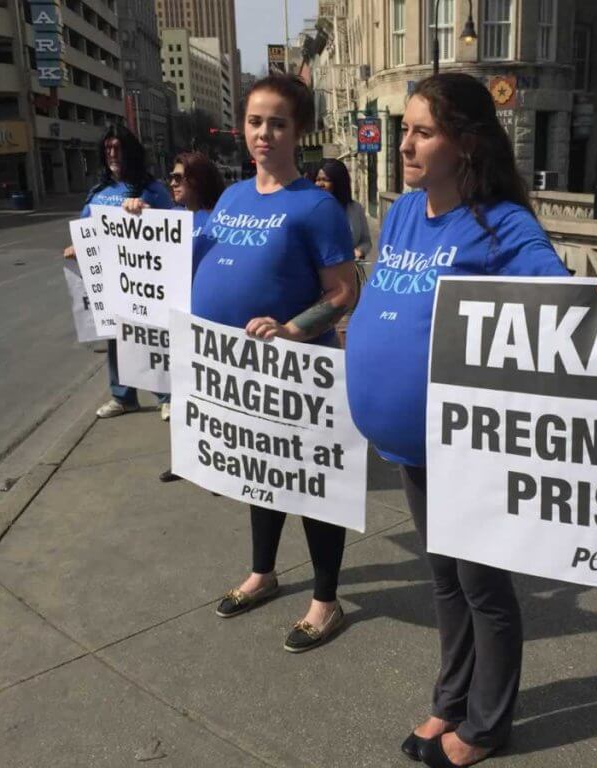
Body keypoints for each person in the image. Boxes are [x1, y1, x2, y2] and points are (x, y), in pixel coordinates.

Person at [344, 73, 597, 767]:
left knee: (483, 586)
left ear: (467, 143)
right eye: (405, 131)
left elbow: (563, 295)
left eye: (424, 132)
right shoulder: (401, 214)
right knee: (444, 579)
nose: (406, 146)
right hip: (409, 445)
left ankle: (485, 726)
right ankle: (450, 700)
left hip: (467, 446)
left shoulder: (500, 224)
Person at [190, 74, 359, 652]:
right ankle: (263, 573)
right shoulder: (232, 198)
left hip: (299, 373)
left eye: (278, 123)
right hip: (239, 373)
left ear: (299, 131)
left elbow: (343, 293)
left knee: (312, 484)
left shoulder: (316, 207)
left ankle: (326, 600)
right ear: (243, 126)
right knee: (259, 474)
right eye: (256, 121)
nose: (264, 133)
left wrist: (291, 330)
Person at [64, 124, 174, 419]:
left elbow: (174, 227)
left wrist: (148, 213)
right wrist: (76, 247)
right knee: (116, 338)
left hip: (145, 279)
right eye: (108, 148)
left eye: (118, 147)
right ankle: (123, 397)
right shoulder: (98, 191)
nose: (112, 153)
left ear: (130, 152)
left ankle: (168, 395)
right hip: (111, 280)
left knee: (151, 338)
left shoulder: (152, 190)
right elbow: (86, 229)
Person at [141, 151, 226, 483]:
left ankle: (222, 464)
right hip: (176, 323)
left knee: (215, 400)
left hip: (208, 323)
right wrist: (139, 215)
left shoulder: (220, 218)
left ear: (197, 179)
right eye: (171, 177)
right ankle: (185, 459)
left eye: (177, 178)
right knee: (182, 397)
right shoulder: (172, 218)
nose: (171, 183)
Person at [316, 159, 372, 260]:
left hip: (350, 270)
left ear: (339, 182)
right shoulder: (311, 211)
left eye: (325, 180)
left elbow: (366, 241)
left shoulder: (356, 208)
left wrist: (360, 251)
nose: (320, 184)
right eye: (318, 179)